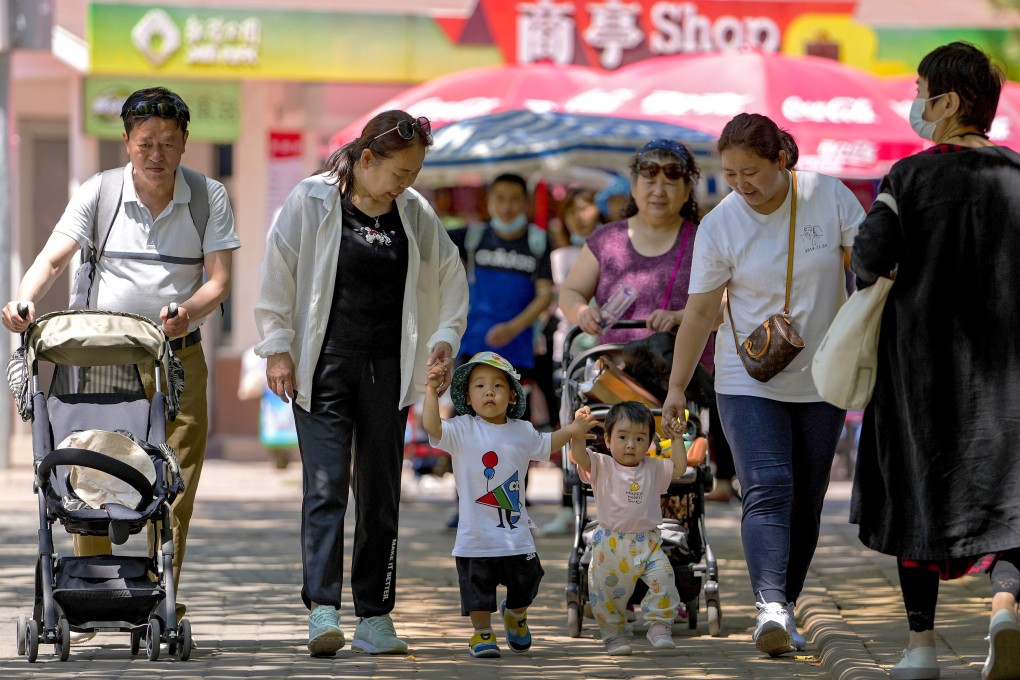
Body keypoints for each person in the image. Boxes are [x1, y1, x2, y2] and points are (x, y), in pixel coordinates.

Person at [1, 86, 238, 640]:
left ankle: (162, 596)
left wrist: (186, 314)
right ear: (128, 141)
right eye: (145, 141)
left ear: (184, 144)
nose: (156, 153)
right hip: (103, 357)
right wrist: (24, 300)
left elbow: (220, 282)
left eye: (168, 143)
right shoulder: (99, 192)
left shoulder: (208, 197)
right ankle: (93, 592)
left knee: (174, 479)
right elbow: (53, 257)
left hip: (177, 358)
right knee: (92, 468)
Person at [253, 110, 469, 657]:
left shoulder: (414, 213)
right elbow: (278, 269)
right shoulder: (312, 200)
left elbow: (449, 274)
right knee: (324, 487)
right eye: (400, 172)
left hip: (389, 372)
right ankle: (322, 610)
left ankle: (375, 616)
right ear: (366, 159)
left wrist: (443, 336)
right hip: (322, 367)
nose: (407, 183)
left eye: (415, 173)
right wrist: (277, 345)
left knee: (379, 497)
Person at [661, 113, 865, 657]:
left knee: (808, 497)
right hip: (746, 376)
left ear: (782, 160)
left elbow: (869, 275)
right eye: (729, 175)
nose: (741, 185)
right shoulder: (721, 224)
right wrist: (677, 387)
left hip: (824, 373)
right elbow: (701, 312)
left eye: (750, 172)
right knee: (769, 487)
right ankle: (769, 606)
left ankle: (786, 606)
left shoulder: (829, 196)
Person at [848, 42, 1020, 680]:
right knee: (1013, 498)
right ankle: (1006, 611)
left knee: (916, 501)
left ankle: (921, 650)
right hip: (1008, 379)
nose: (915, 104)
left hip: (919, 376)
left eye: (921, 91)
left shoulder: (908, 179)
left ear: (946, 103)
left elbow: (870, 260)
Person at [422, 351, 596, 658]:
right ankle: (482, 634)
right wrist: (431, 391)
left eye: (498, 386)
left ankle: (515, 614)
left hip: (515, 533)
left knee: (529, 578)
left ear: (512, 396)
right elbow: (433, 427)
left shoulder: (522, 430)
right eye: (480, 386)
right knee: (478, 593)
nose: (489, 391)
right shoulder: (462, 429)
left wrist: (572, 430)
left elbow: (546, 443)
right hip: (474, 536)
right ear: (467, 396)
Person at [569, 400, 687, 656]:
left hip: (648, 542)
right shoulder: (601, 464)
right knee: (605, 594)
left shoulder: (653, 468)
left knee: (664, 579)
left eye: (640, 438)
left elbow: (679, 467)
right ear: (608, 440)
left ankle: (659, 626)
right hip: (610, 545)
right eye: (622, 437)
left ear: (650, 443)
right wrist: (577, 434)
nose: (631, 445)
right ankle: (614, 635)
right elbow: (578, 456)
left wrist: (677, 439)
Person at [542, 187, 602, 535]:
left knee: (603, 429)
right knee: (565, 427)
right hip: (567, 351)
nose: (581, 216)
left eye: (587, 206)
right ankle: (570, 506)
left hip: (604, 353)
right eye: (573, 210)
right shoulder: (559, 256)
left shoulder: (611, 252)